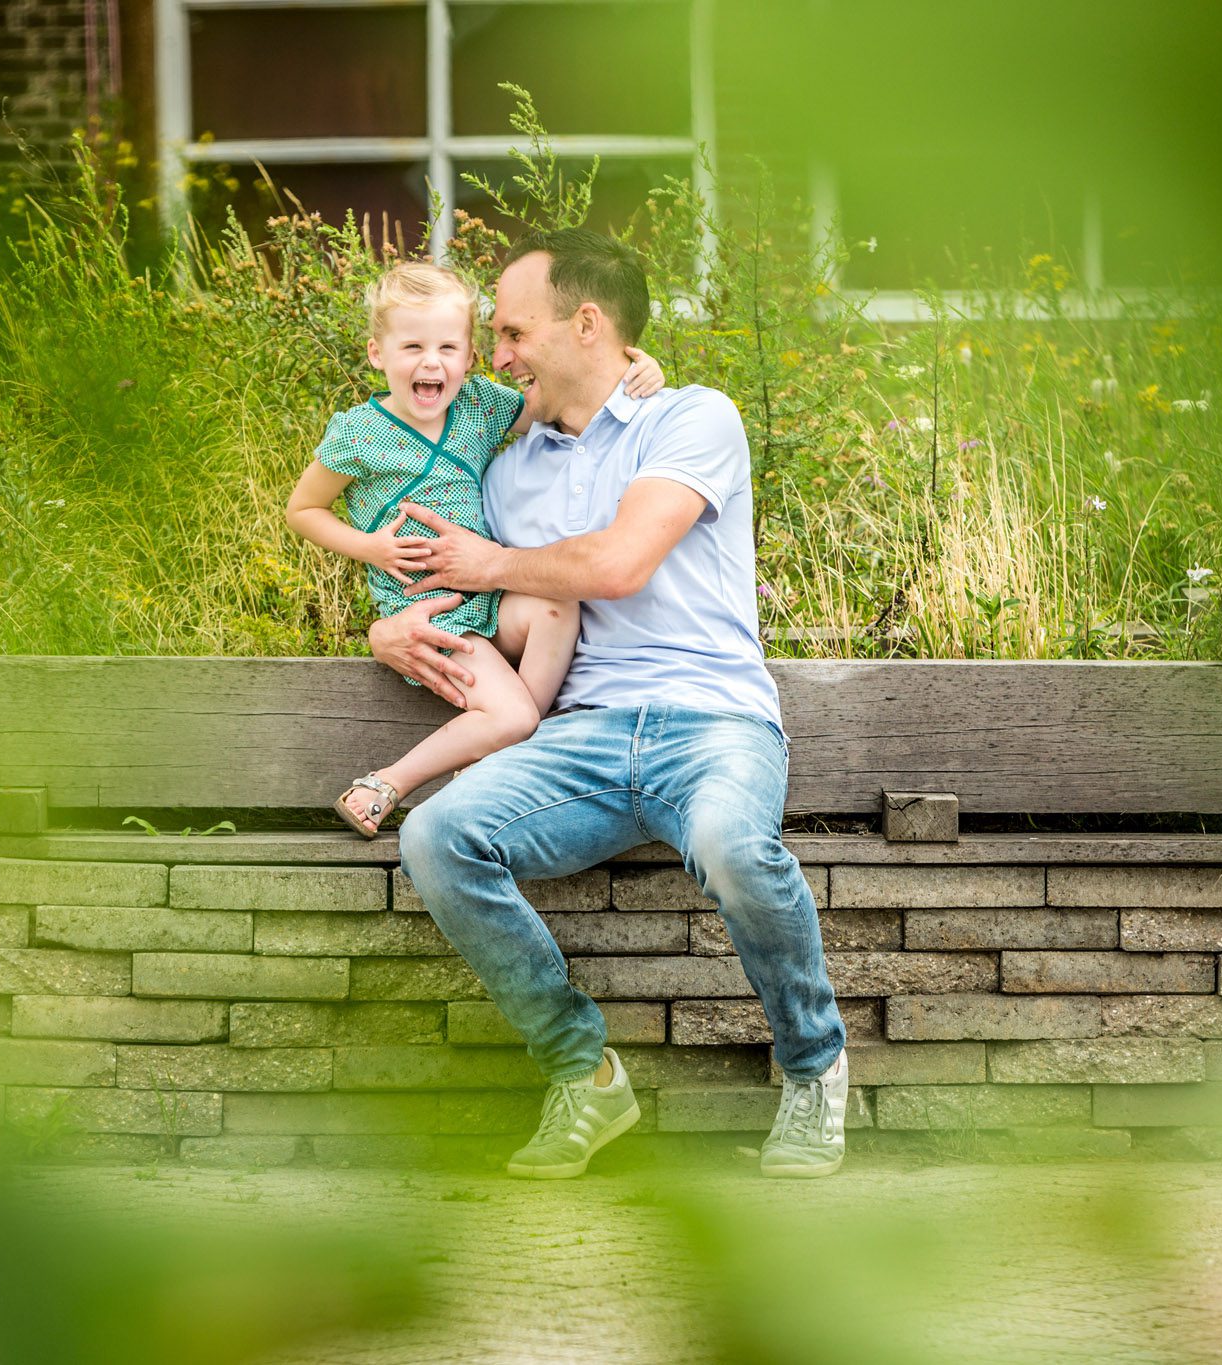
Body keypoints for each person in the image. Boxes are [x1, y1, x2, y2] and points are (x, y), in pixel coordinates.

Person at [371, 229, 850, 1179]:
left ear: (587, 324)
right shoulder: (507, 466)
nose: (495, 356)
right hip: (581, 737)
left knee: (729, 840)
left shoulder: (692, 419)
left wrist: (493, 561)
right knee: (437, 837)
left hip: (714, 722)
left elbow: (622, 564)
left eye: (511, 332)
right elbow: (445, 566)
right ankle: (584, 1076)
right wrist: (394, 628)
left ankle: (814, 1068)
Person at [285, 261, 662, 838]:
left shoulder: (480, 408)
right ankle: (384, 783)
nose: (431, 362)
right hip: (430, 612)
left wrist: (633, 365)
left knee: (559, 605)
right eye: (411, 346)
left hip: (488, 591)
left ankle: (493, 757)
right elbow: (303, 510)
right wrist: (369, 547)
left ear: (467, 357)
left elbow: (566, 396)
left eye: (448, 347)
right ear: (376, 354)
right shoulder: (357, 432)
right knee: (513, 713)